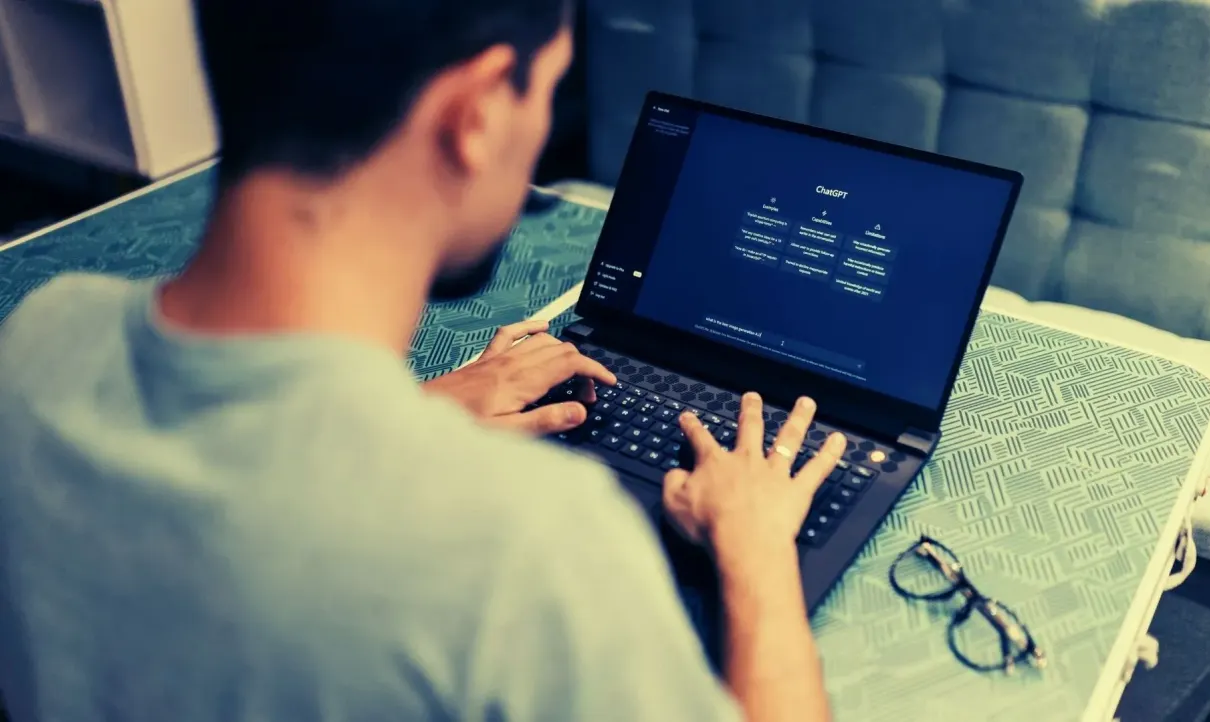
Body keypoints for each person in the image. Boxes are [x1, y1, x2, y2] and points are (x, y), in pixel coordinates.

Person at [0, 1, 847, 720]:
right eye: (547, 89)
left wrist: (416, 416)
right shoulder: (528, 548)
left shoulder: (37, 342)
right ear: (474, 114)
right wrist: (757, 550)